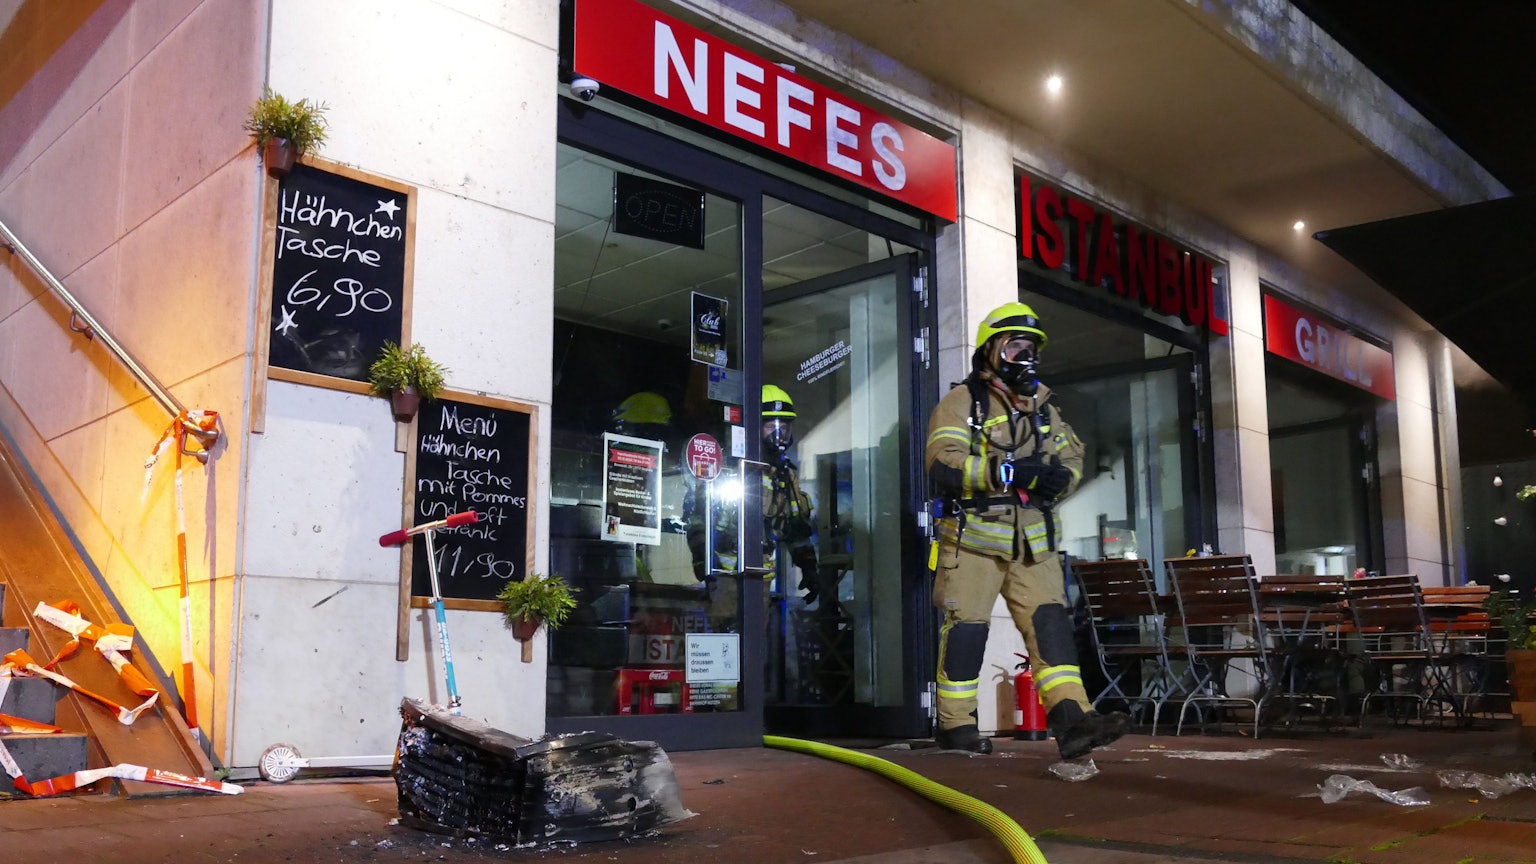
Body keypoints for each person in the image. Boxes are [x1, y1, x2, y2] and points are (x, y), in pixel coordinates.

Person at [925, 301, 1130, 758]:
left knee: (1051, 628)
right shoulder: (965, 402)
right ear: (992, 350)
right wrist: (1009, 473)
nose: (1027, 356)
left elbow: (1072, 460)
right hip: (973, 539)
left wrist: (1063, 479)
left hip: (1033, 543)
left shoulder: (1044, 409)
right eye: (1017, 346)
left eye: (1032, 348)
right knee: (967, 631)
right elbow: (942, 463)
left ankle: (1073, 720)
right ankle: (955, 726)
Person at [760, 385, 823, 605]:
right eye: (771, 425)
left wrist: (808, 567)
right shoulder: (738, 468)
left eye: (784, 427)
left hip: (762, 579)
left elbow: (795, 525)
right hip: (727, 579)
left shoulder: (786, 474)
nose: (779, 433)